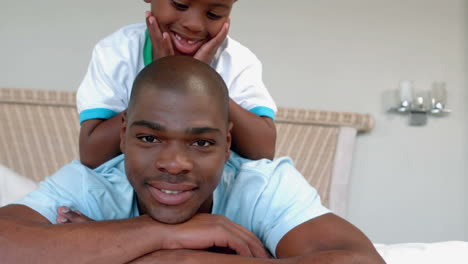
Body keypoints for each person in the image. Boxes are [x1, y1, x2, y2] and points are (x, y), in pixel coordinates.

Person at [0, 57, 385, 263]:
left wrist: (172, 257)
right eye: (149, 138)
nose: (173, 163)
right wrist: (162, 233)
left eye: (201, 143)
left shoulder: (261, 185)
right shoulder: (93, 182)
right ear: (122, 138)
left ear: (228, 144)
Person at [78, 0, 277, 168]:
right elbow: (92, 155)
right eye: (180, 4)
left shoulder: (238, 61)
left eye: (214, 14)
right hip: (129, 184)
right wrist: (161, 78)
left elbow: (263, 151)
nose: (195, 25)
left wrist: (201, 78)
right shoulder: (116, 52)